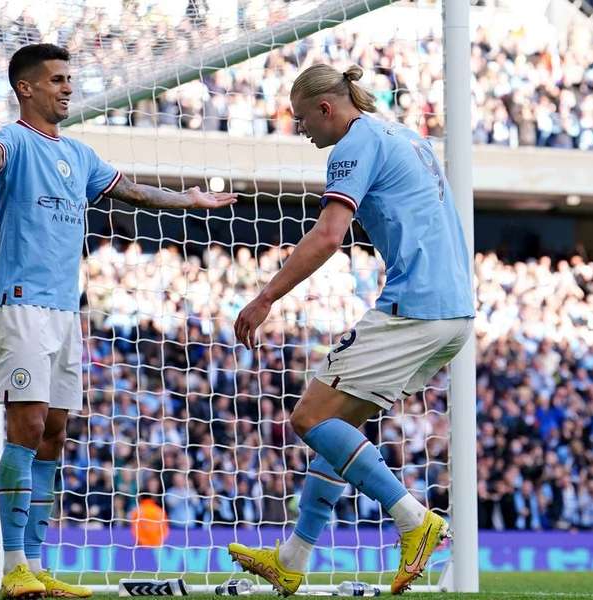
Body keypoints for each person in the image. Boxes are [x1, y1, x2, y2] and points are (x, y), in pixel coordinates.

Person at [0, 43, 235, 599]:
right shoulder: (15, 140)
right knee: (26, 426)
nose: (68, 87)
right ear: (27, 88)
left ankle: (38, 563)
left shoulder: (81, 154)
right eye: (56, 79)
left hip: (65, 311)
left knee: (54, 432)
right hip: (20, 305)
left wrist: (188, 200)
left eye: (69, 78)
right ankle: (14, 566)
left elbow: (135, 192)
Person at [228, 63, 473, 596]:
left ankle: (413, 519)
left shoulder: (353, 144)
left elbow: (329, 235)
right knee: (337, 433)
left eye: (302, 121)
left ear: (326, 108)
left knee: (309, 416)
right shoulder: (404, 134)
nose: (303, 132)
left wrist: (265, 296)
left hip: (416, 306)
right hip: (454, 310)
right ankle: (292, 558)